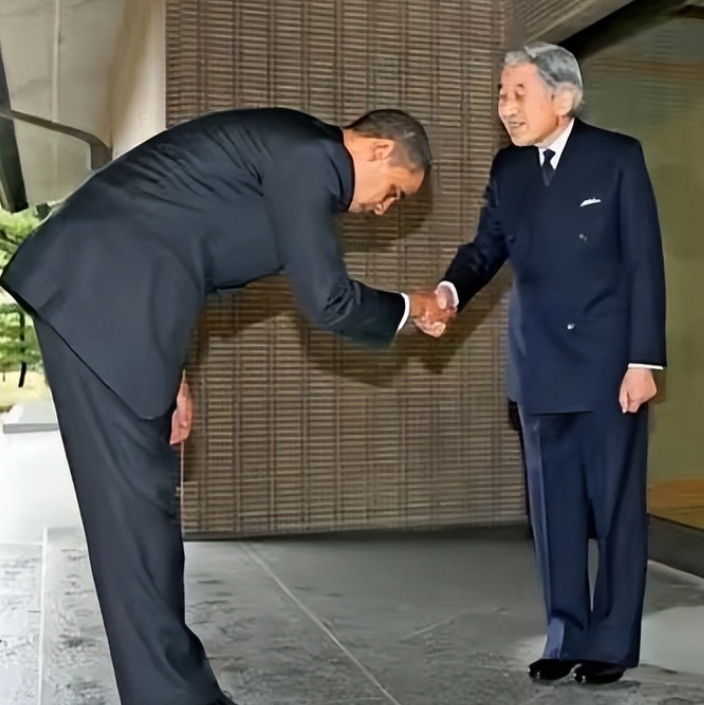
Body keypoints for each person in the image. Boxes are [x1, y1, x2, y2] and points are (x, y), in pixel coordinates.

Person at [0, 107, 450, 705]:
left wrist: (175, 372)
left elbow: (183, 248)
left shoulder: (296, 157)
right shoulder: (310, 158)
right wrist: (413, 306)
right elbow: (329, 301)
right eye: (394, 192)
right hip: (99, 299)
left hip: (122, 309)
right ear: (375, 150)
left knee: (144, 525)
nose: (385, 209)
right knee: (132, 529)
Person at [419, 43, 666, 686]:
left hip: (611, 365)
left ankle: (609, 643)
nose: (505, 108)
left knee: (613, 509)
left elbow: (643, 264)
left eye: (517, 93)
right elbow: (484, 249)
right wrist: (448, 292)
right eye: (501, 94)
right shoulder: (509, 170)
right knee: (552, 510)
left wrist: (644, 360)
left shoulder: (617, 156)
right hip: (538, 364)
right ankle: (565, 635)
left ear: (564, 97)